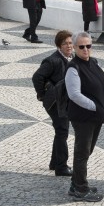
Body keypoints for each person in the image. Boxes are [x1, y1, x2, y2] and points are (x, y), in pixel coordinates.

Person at [65, 31, 104, 202]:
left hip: (95, 116)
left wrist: (100, 109)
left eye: (89, 46)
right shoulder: (73, 67)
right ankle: (81, 189)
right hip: (83, 116)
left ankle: (75, 183)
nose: (86, 50)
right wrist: (95, 107)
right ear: (75, 48)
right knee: (82, 151)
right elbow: (74, 94)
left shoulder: (93, 62)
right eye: (81, 47)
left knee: (87, 149)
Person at [32, 30, 74, 177]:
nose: (69, 46)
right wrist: (43, 96)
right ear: (59, 46)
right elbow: (37, 77)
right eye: (65, 43)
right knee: (62, 130)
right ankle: (61, 167)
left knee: (60, 130)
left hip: (63, 101)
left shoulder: (70, 58)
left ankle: (54, 162)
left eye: (70, 43)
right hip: (55, 102)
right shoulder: (53, 60)